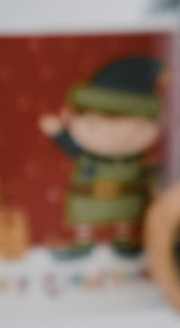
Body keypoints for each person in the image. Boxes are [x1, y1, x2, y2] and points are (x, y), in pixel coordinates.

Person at [39, 56, 163, 254]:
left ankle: (125, 239)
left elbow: (150, 171)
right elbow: (72, 148)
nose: (116, 135)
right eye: (96, 125)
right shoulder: (86, 152)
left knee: (127, 217)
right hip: (89, 194)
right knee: (84, 216)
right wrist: (59, 133)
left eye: (136, 128)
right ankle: (83, 242)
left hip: (126, 196)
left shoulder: (136, 160)